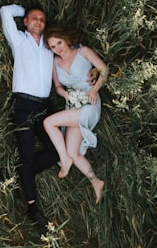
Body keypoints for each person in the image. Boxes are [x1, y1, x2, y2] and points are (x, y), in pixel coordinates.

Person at [0, 3, 59, 228]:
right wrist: (23, 8)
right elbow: (5, 11)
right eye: (34, 18)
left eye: (43, 19)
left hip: (45, 107)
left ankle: (24, 175)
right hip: (23, 104)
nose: (39, 22)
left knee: (56, 151)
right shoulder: (18, 40)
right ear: (25, 21)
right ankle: (33, 208)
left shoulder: (48, 46)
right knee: (26, 155)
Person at [42, 26, 108, 204]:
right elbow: (58, 87)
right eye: (53, 47)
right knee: (73, 151)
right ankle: (96, 181)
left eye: (59, 43)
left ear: (65, 39)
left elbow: (103, 69)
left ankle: (64, 160)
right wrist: (67, 95)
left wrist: (94, 90)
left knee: (49, 123)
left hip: (90, 104)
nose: (57, 49)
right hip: (73, 105)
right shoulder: (55, 62)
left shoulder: (83, 51)